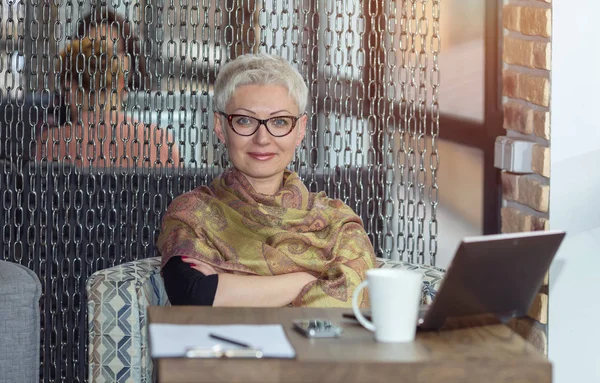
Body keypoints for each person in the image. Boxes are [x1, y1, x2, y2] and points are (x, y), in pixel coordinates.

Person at [157, 53, 375, 307]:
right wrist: (305, 280)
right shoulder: (192, 214)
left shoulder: (338, 222)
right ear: (220, 127)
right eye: (245, 120)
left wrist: (232, 283)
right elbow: (194, 295)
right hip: (227, 348)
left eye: (280, 121)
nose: (262, 138)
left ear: (300, 129)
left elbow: (358, 294)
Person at [39, 9, 180, 165]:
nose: (99, 63)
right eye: (91, 51)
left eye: (108, 53)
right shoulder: (159, 141)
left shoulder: (53, 143)